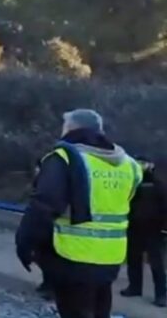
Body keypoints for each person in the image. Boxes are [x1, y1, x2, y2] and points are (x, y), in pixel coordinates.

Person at [15, 109, 142, 318]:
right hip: (111, 257)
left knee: (75, 311)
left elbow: (43, 206)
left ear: (72, 129)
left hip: (72, 256)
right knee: (100, 310)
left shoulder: (64, 158)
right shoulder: (129, 164)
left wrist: (25, 244)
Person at [120, 157, 167, 307]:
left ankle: (161, 294)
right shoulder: (132, 184)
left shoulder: (158, 185)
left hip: (154, 229)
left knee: (156, 263)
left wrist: (164, 228)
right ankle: (134, 287)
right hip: (134, 227)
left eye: (143, 164)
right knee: (133, 259)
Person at [32, 158, 54, 301]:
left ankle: (51, 287)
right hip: (41, 222)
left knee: (49, 257)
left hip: (50, 223)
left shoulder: (50, 182)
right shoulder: (41, 180)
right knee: (41, 255)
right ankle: (47, 283)